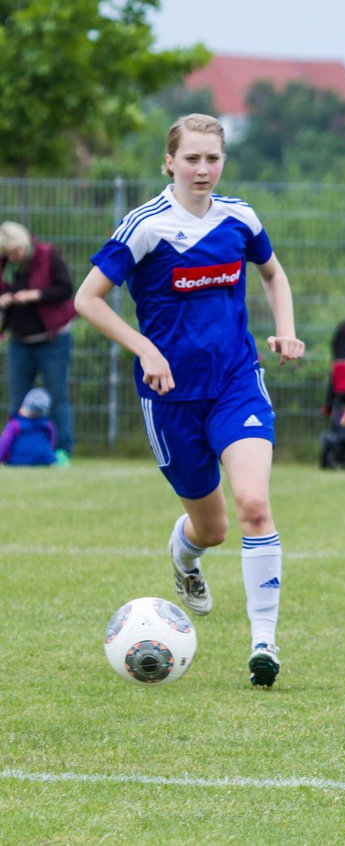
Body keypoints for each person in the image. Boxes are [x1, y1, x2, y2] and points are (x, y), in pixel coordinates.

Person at [74, 113, 305, 688]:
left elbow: (274, 275)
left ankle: (264, 644)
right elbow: (88, 300)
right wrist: (145, 349)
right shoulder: (144, 226)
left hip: (236, 382)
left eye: (213, 158)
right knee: (213, 527)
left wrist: (285, 328)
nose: (204, 169)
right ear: (170, 162)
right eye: (193, 158)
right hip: (170, 396)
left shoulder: (239, 217)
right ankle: (185, 560)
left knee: (254, 505)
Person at [0, 221, 77, 464]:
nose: (15, 256)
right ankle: (15, 451)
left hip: (53, 339)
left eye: (17, 251)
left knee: (56, 395)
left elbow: (66, 289)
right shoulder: (5, 265)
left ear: (25, 244)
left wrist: (34, 295)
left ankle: (62, 450)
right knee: (18, 398)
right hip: (19, 340)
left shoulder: (47, 255)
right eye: (9, 254)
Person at [0, 387, 57, 466]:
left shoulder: (15, 424)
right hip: (45, 460)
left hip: (18, 461)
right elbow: (51, 441)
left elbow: (4, 443)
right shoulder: (47, 425)